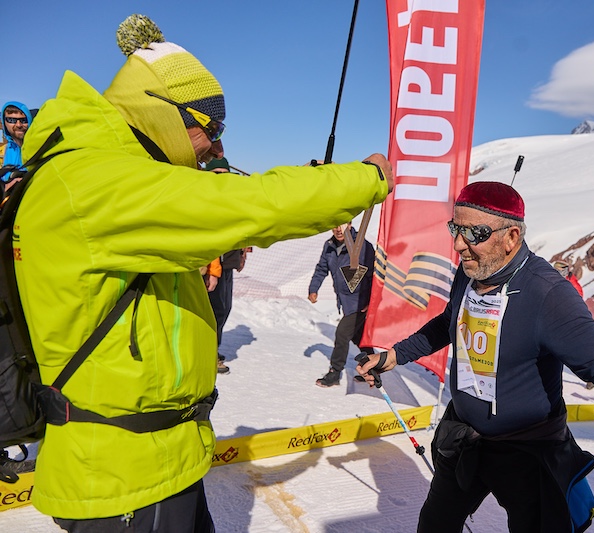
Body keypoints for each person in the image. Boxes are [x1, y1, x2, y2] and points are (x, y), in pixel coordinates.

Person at [15, 14, 392, 533]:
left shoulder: (96, 173)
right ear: (163, 111)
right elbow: (246, 205)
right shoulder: (93, 182)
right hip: (124, 476)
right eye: (212, 130)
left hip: (153, 457)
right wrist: (364, 179)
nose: (216, 148)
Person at [358, 182, 594, 532]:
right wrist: (396, 355)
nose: (458, 245)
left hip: (527, 451)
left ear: (511, 236)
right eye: (455, 228)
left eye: (474, 233)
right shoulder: (471, 269)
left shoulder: (547, 293)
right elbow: (450, 320)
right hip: (465, 439)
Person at [309, 221, 375, 387]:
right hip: (345, 302)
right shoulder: (329, 245)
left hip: (360, 303)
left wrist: (371, 301)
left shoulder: (362, 246)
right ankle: (372, 369)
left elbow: (374, 274)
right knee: (359, 337)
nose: (338, 229)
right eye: (334, 225)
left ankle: (335, 372)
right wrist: (313, 289)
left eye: (342, 225)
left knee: (342, 334)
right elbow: (321, 269)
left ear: (350, 224)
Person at [204, 156, 249, 374]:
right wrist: (212, 269)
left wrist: (243, 253)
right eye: (217, 173)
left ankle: (212, 349)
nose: (222, 177)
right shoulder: (207, 198)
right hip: (213, 265)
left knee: (224, 308)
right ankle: (208, 355)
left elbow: (241, 226)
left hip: (228, 263)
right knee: (214, 310)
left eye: (225, 173)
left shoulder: (230, 197)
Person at [1, 101, 33, 190]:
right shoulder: (2, 152)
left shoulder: (39, 148)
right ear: (4, 122)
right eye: (12, 120)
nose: (18, 125)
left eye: (23, 120)